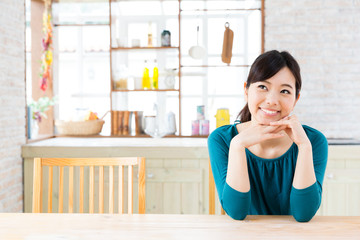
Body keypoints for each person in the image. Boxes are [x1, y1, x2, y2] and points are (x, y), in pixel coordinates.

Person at [208, 50, 328, 222]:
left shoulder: (313, 141)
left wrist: (304, 146)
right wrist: (238, 146)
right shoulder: (222, 140)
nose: (272, 100)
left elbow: (303, 214)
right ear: (246, 91)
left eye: (285, 91)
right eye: (263, 87)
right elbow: (236, 212)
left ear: (296, 99)